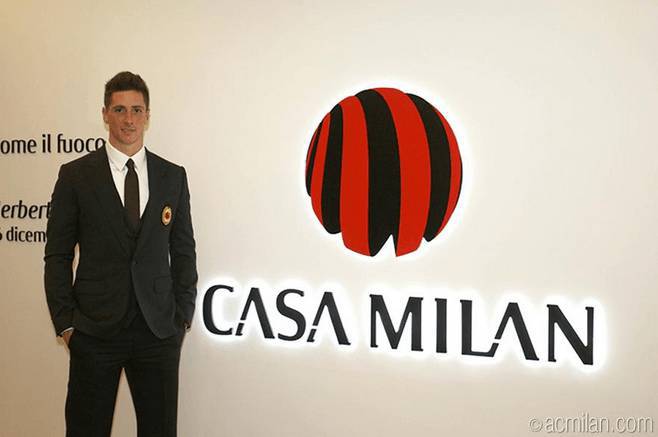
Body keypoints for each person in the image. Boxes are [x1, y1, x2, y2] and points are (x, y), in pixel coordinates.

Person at [44, 71, 197, 437]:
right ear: (105, 114)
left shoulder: (172, 176)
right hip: (93, 331)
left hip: (158, 332)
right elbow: (57, 255)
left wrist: (182, 317)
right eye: (119, 110)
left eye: (136, 110)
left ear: (147, 115)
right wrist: (66, 323)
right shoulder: (75, 176)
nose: (129, 119)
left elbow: (184, 250)